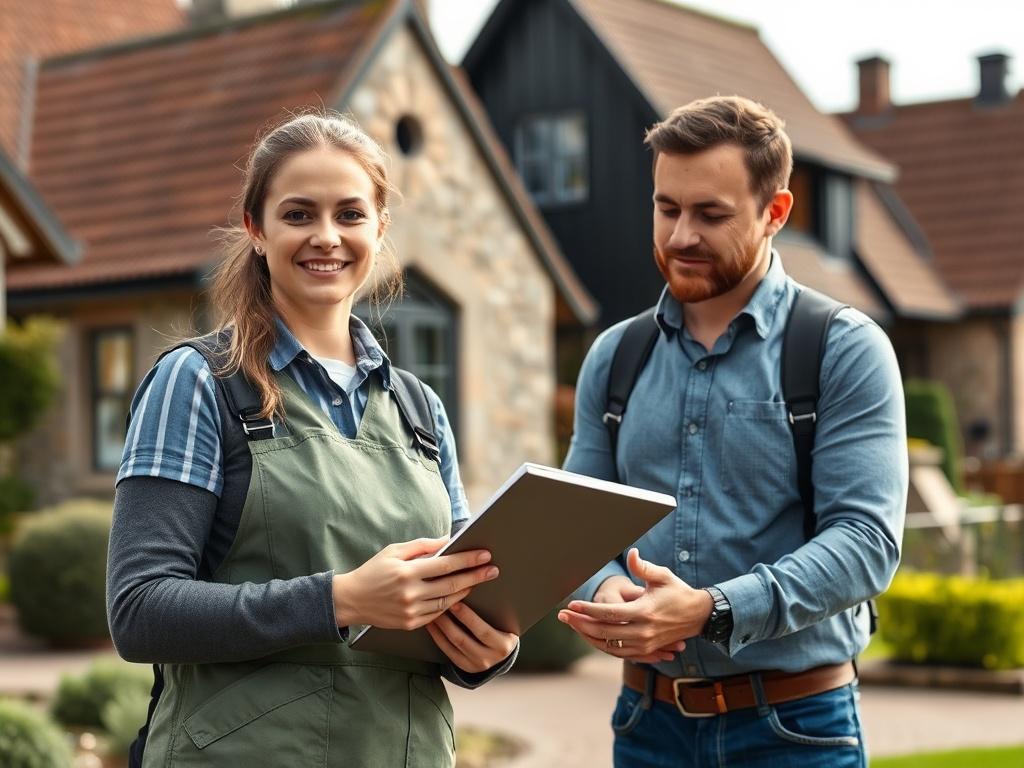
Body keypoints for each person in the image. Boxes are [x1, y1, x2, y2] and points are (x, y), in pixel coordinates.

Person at [107, 111, 518, 768]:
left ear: (380, 227)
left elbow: (457, 585)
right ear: (257, 229)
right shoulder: (199, 383)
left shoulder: (420, 409)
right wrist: (342, 599)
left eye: (350, 215)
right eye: (299, 214)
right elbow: (142, 609)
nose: (326, 237)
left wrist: (489, 651)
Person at [557, 96, 907, 767]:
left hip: (795, 729)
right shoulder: (614, 356)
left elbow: (867, 543)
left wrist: (712, 610)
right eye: (667, 208)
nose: (681, 234)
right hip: (645, 725)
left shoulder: (842, 349)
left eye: (710, 214)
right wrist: (602, 591)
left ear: (775, 213)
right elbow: (575, 526)